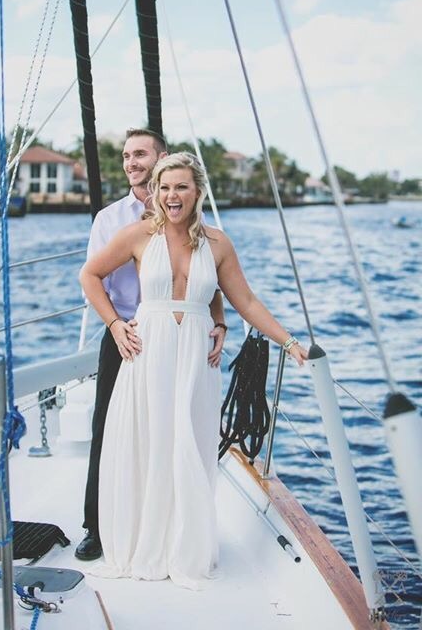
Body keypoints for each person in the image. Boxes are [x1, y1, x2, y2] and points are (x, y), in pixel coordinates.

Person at [79, 152, 307, 588]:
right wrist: (114, 324)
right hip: (148, 352)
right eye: (164, 187)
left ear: (197, 191)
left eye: (181, 187)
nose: (172, 195)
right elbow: (90, 275)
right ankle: (145, 542)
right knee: (149, 445)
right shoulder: (139, 235)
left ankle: (183, 546)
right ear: (155, 191)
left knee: (190, 446)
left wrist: (289, 342)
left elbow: (247, 302)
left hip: (195, 360)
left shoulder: (218, 244)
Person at [75, 131, 227, 561]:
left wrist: (219, 320)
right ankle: (98, 527)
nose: (131, 163)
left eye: (139, 154)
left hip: (180, 340)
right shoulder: (111, 219)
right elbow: (92, 276)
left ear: (162, 159)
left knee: (175, 427)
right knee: (109, 427)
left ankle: (171, 526)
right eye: (126, 156)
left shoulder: (193, 219)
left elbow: (207, 281)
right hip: (126, 333)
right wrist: (115, 326)